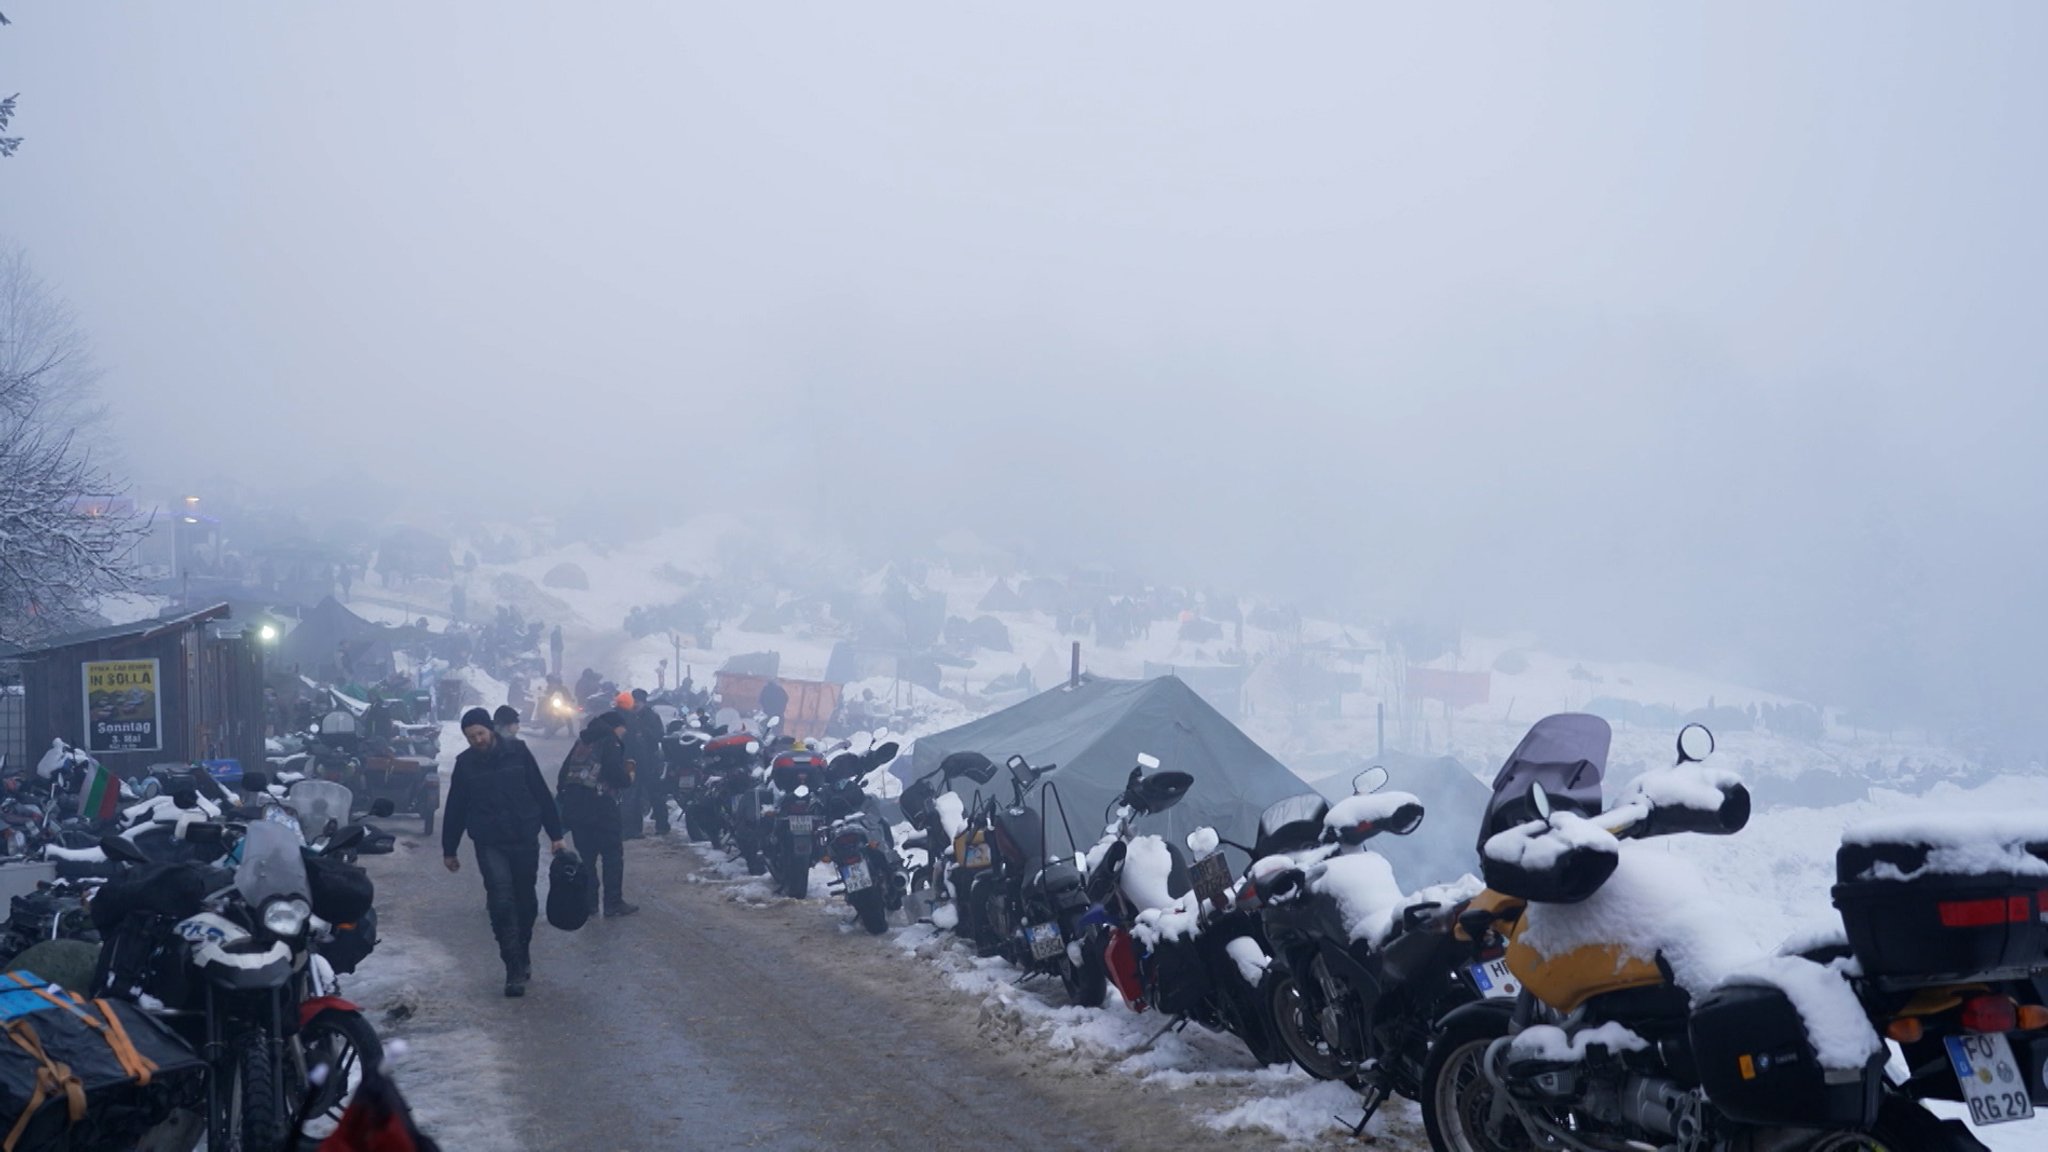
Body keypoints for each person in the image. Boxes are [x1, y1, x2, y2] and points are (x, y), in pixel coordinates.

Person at [441, 707, 565, 997]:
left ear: (491, 730)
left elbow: (541, 793)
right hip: (489, 842)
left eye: (481, 734)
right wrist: (450, 849)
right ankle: (512, 967)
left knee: (526, 901)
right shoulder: (465, 764)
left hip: (523, 837)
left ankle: (522, 951)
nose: (477, 740)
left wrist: (556, 834)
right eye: (471, 737)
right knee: (500, 901)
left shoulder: (518, 752)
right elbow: (455, 808)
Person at [557, 712, 638, 917]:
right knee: (612, 855)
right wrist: (628, 777)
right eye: (622, 729)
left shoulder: (581, 741)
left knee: (587, 857)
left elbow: (563, 775)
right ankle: (613, 903)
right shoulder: (610, 741)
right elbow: (614, 773)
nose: (624, 733)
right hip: (602, 807)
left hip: (576, 808)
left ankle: (589, 903)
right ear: (614, 726)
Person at [625, 687, 669, 835]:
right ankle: (634, 829)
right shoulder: (628, 716)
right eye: (634, 701)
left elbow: (659, 736)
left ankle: (662, 825)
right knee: (634, 796)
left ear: (644, 703)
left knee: (655, 794)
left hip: (649, 762)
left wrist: (644, 731)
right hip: (632, 762)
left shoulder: (652, 717)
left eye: (638, 702)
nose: (635, 705)